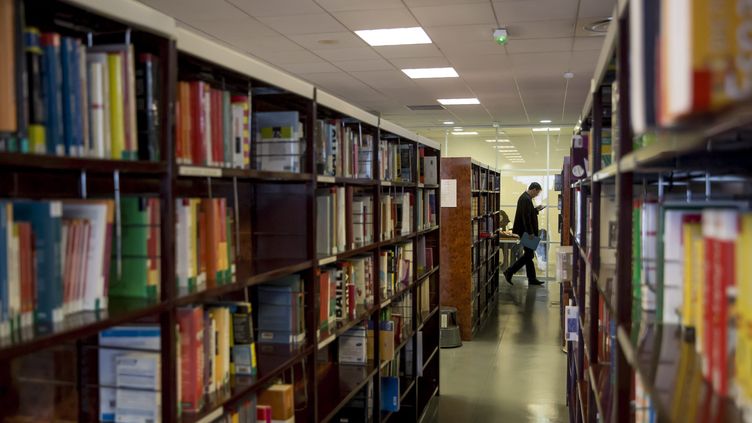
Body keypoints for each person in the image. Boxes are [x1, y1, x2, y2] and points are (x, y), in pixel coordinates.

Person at [503, 182, 545, 286]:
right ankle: (510, 271)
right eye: (537, 193)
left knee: (529, 255)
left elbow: (528, 214)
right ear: (533, 189)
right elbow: (526, 218)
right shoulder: (525, 199)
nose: (537, 195)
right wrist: (530, 233)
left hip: (526, 232)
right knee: (529, 255)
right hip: (527, 233)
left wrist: (536, 210)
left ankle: (531, 278)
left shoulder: (526, 198)